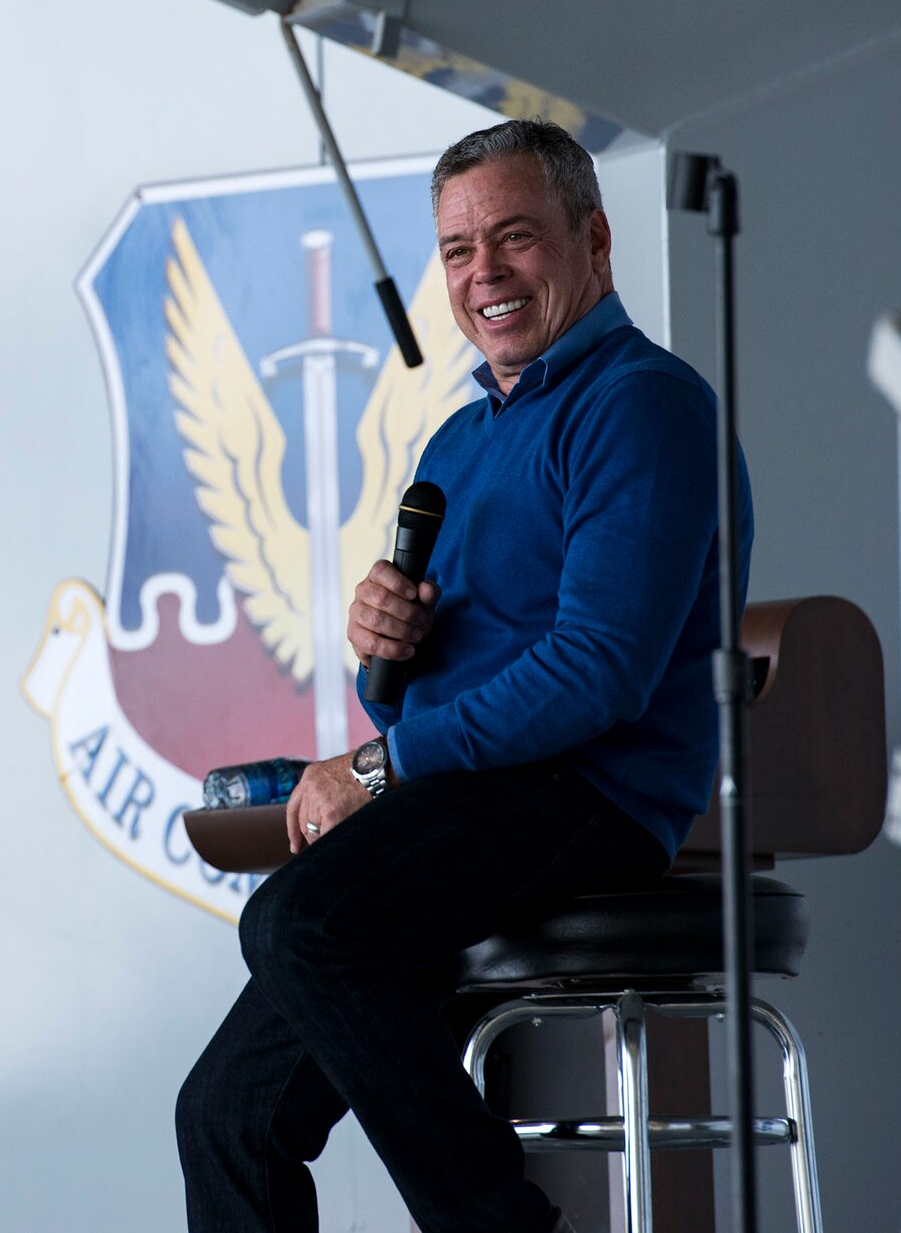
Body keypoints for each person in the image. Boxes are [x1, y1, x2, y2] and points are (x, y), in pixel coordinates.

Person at [175, 118, 753, 1232]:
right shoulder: (456, 440)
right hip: (473, 799)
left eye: (513, 238)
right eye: (454, 250)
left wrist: (380, 763)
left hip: (592, 792)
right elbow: (417, 694)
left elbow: (597, 674)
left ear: (592, 239)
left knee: (303, 924)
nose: (480, 272)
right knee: (222, 1117)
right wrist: (385, 657)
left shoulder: (640, 404)